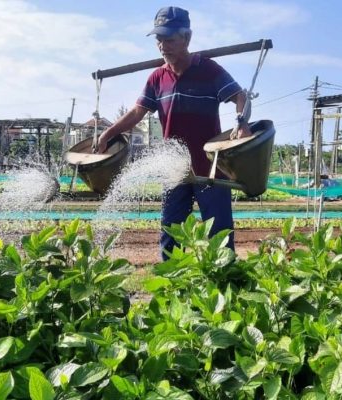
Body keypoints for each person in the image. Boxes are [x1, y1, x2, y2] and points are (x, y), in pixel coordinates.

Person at [97, 6, 252, 260]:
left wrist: (241, 121)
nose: (163, 46)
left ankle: (226, 289)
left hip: (210, 170)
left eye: (169, 39)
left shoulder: (209, 70)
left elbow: (239, 96)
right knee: (171, 237)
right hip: (175, 171)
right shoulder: (157, 78)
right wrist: (108, 133)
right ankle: (172, 289)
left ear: (187, 39)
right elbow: (137, 112)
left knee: (220, 238)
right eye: (159, 40)